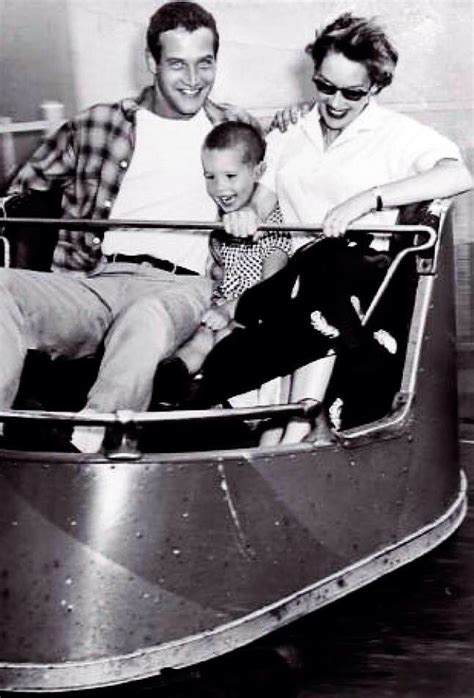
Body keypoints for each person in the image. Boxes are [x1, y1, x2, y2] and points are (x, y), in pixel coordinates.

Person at [186, 12, 472, 440]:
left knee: (332, 261)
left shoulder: (395, 133)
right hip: (300, 278)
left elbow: (458, 176)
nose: (336, 102)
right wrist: (244, 214)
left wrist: (365, 199)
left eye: (352, 92)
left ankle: (298, 420)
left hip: (368, 283)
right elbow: (262, 200)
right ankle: (283, 428)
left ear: (374, 86)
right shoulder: (292, 131)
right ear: (314, 75)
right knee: (308, 275)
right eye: (325, 86)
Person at [0, 0, 261, 453]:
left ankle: (92, 444)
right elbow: (19, 192)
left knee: (145, 319)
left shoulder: (236, 128)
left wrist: (251, 210)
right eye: (178, 64)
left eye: (205, 63)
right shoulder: (99, 123)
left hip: (181, 288)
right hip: (96, 280)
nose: (194, 80)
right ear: (151, 63)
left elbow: (275, 185)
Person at [154, 120, 291, 404]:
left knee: (224, 339)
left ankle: (211, 394)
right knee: (198, 340)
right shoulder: (223, 219)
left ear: (259, 172)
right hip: (222, 308)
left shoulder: (271, 219)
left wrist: (230, 309)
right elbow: (220, 267)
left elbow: (271, 285)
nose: (219, 187)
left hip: (253, 312)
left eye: (230, 175)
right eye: (210, 177)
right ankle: (171, 384)